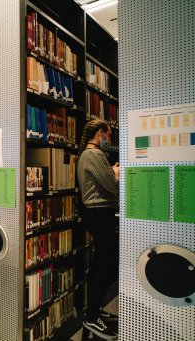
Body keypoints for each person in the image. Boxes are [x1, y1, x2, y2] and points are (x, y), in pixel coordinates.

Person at [76, 119, 119, 340]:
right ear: (100, 132)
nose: (109, 139)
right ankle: (91, 316)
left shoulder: (86, 155)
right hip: (101, 213)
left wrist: (110, 172)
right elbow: (112, 186)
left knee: (100, 263)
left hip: (95, 213)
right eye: (108, 135)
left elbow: (102, 180)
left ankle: (92, 311)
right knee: (111, 265)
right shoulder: (94, 155)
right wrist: (117, 174)